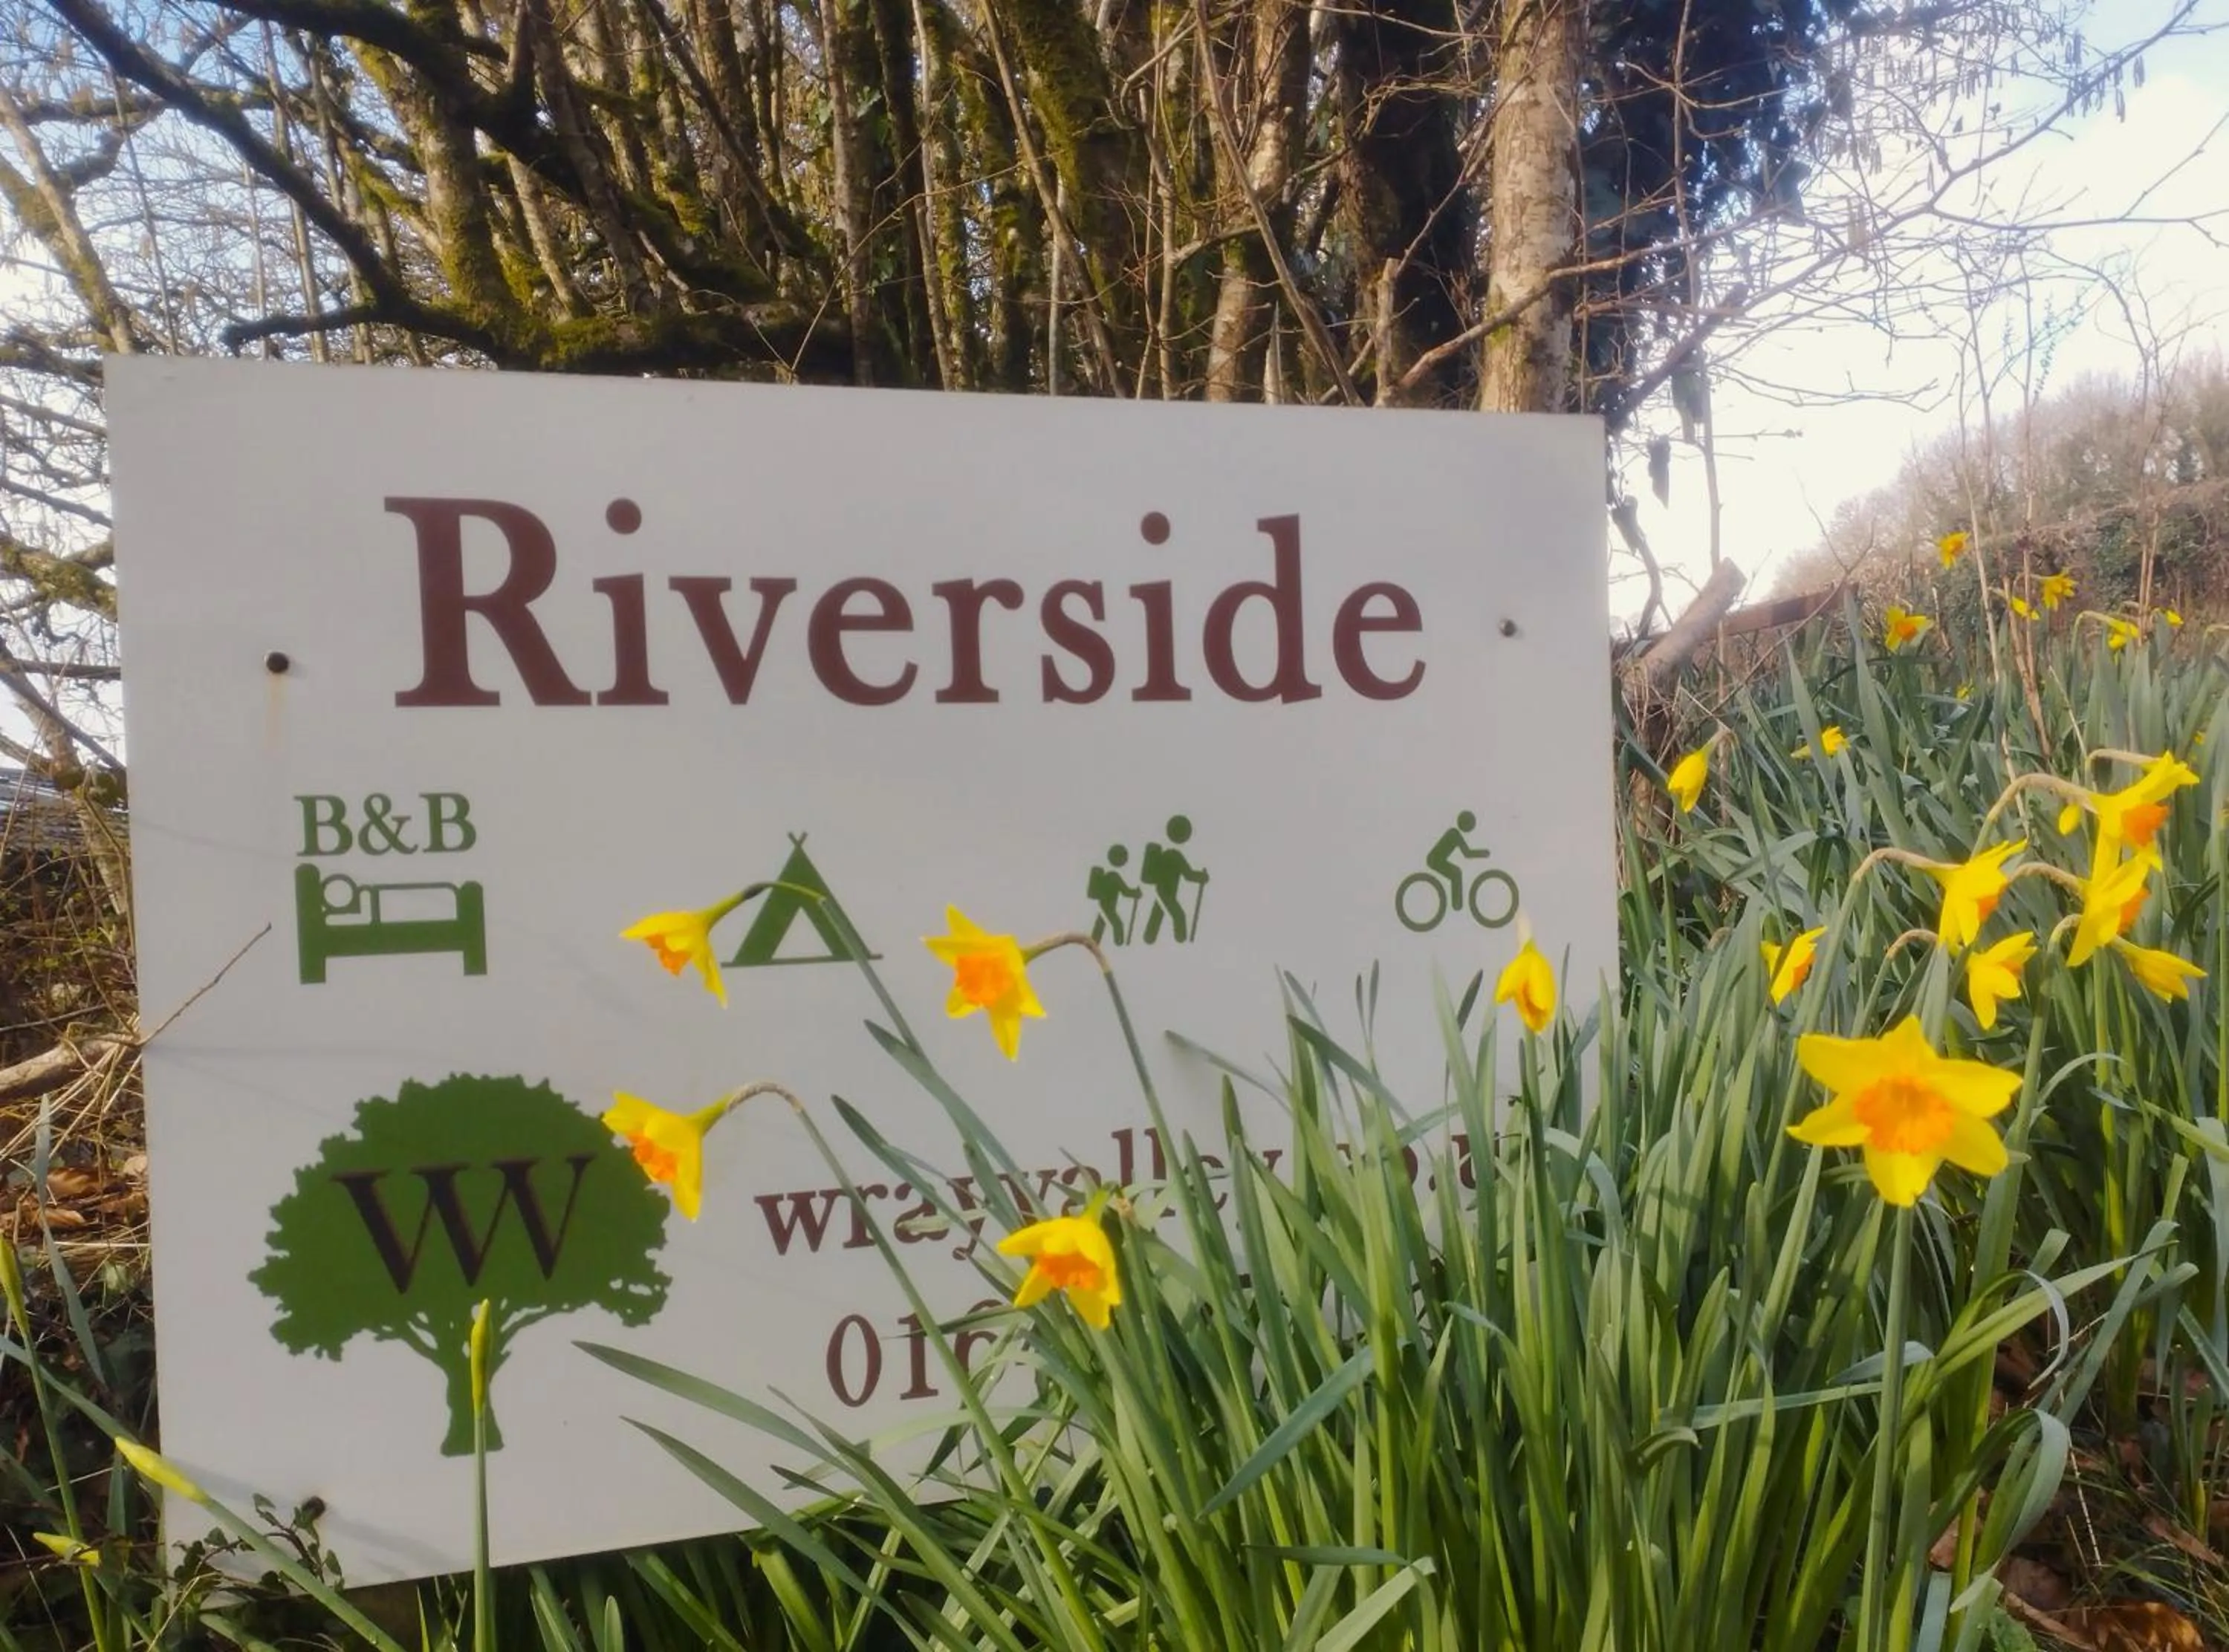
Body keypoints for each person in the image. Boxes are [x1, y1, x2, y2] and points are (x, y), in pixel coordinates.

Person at [1140, 816, 1208, 943]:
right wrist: (1202, 877)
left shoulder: (1168, 855)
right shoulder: (1175, 856)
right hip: (1166, 891)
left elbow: (1188, 875)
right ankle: (1181, 940)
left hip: (1163, 890)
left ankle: (1149, 938)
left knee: (1158, 913)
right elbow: (1189, 875)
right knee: (1179, 916)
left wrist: (1201, 877)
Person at [1424, 810, 1486, 908]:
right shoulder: (1454, 834)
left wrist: (1482, 854)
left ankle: (1457, 904)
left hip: (1436, 859)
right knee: (1456, 873)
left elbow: (1467, 853)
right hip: (1435, 860)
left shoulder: (1454, 833)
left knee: (1456, 872)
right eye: (1469, 824)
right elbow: (1467, 853)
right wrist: (1483, 853)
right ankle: (1457, 904)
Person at [1087, 845, 1140, 945]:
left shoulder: (1111, 877)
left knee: (1102, 923)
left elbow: (1125, 891)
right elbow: (1126, 891)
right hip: (1108, 906)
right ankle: (1119, 944)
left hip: (1105, 905)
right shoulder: (1114, 877)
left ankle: (1094, 943)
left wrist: (1135, 893)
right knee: (1117, 925)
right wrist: (1136, 893)